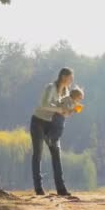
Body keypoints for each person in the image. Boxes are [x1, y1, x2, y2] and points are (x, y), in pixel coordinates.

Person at [30, 67, 74, 196]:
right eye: (70, 78)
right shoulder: (51, 88)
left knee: (56, 154)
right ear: (64, 77)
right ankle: (38, 188)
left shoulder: (66, 91)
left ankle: (61, 189)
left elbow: (63, 109)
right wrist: (59, 110)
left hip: (52, 125)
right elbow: (44, 104)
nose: (72, 80)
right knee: (37, 154)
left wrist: (69, 110)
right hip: (38, 122)